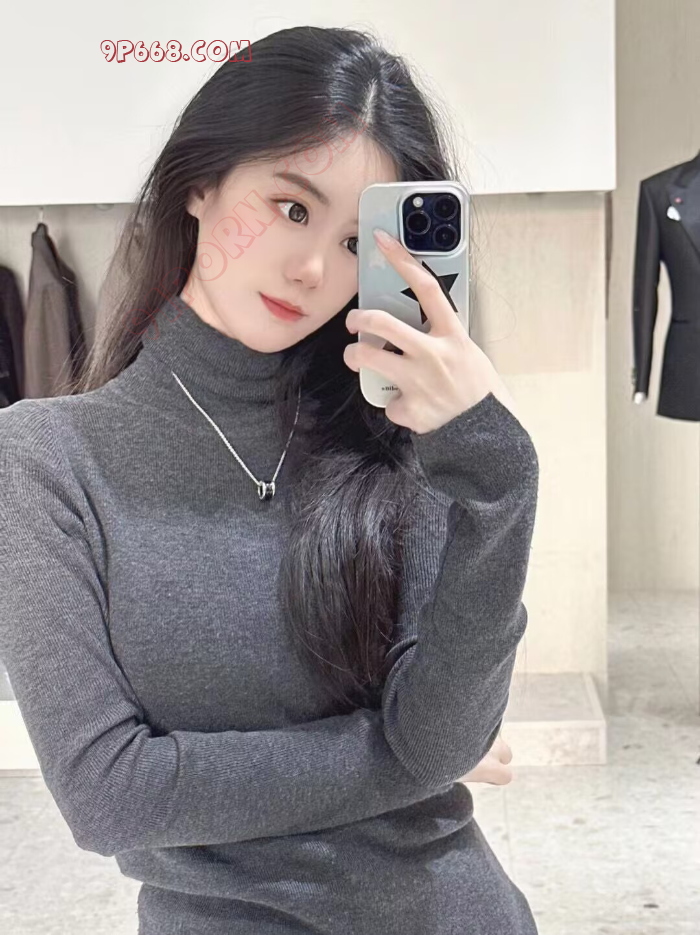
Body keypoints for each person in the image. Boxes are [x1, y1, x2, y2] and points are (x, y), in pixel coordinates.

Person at [0, 25, 540, 935]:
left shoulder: (406, 439)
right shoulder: (47, 461)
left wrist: (500, 472)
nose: (314, 269)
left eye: (354, 241)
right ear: (200, 182)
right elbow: (108, 794)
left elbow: (445, 736)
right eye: (292, 208)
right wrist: (402, 760)